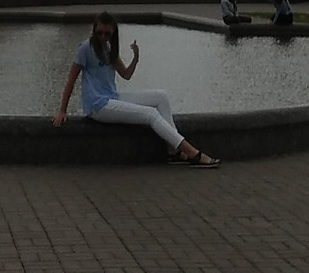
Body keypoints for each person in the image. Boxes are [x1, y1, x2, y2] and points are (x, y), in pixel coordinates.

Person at [52, 12, 220, 168]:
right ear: (94, 31)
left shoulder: (109, 49)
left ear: (113, 34)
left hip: (112, 97)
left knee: (160, 97)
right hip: (97, 105)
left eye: (107, 34)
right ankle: (192, 152)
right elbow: (71, 80)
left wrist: (136, 58)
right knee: (150, 114)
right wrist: (62, 110)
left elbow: (126, 74)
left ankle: (173, 151)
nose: (103, 37)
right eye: (99, 33)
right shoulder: (85, 49)